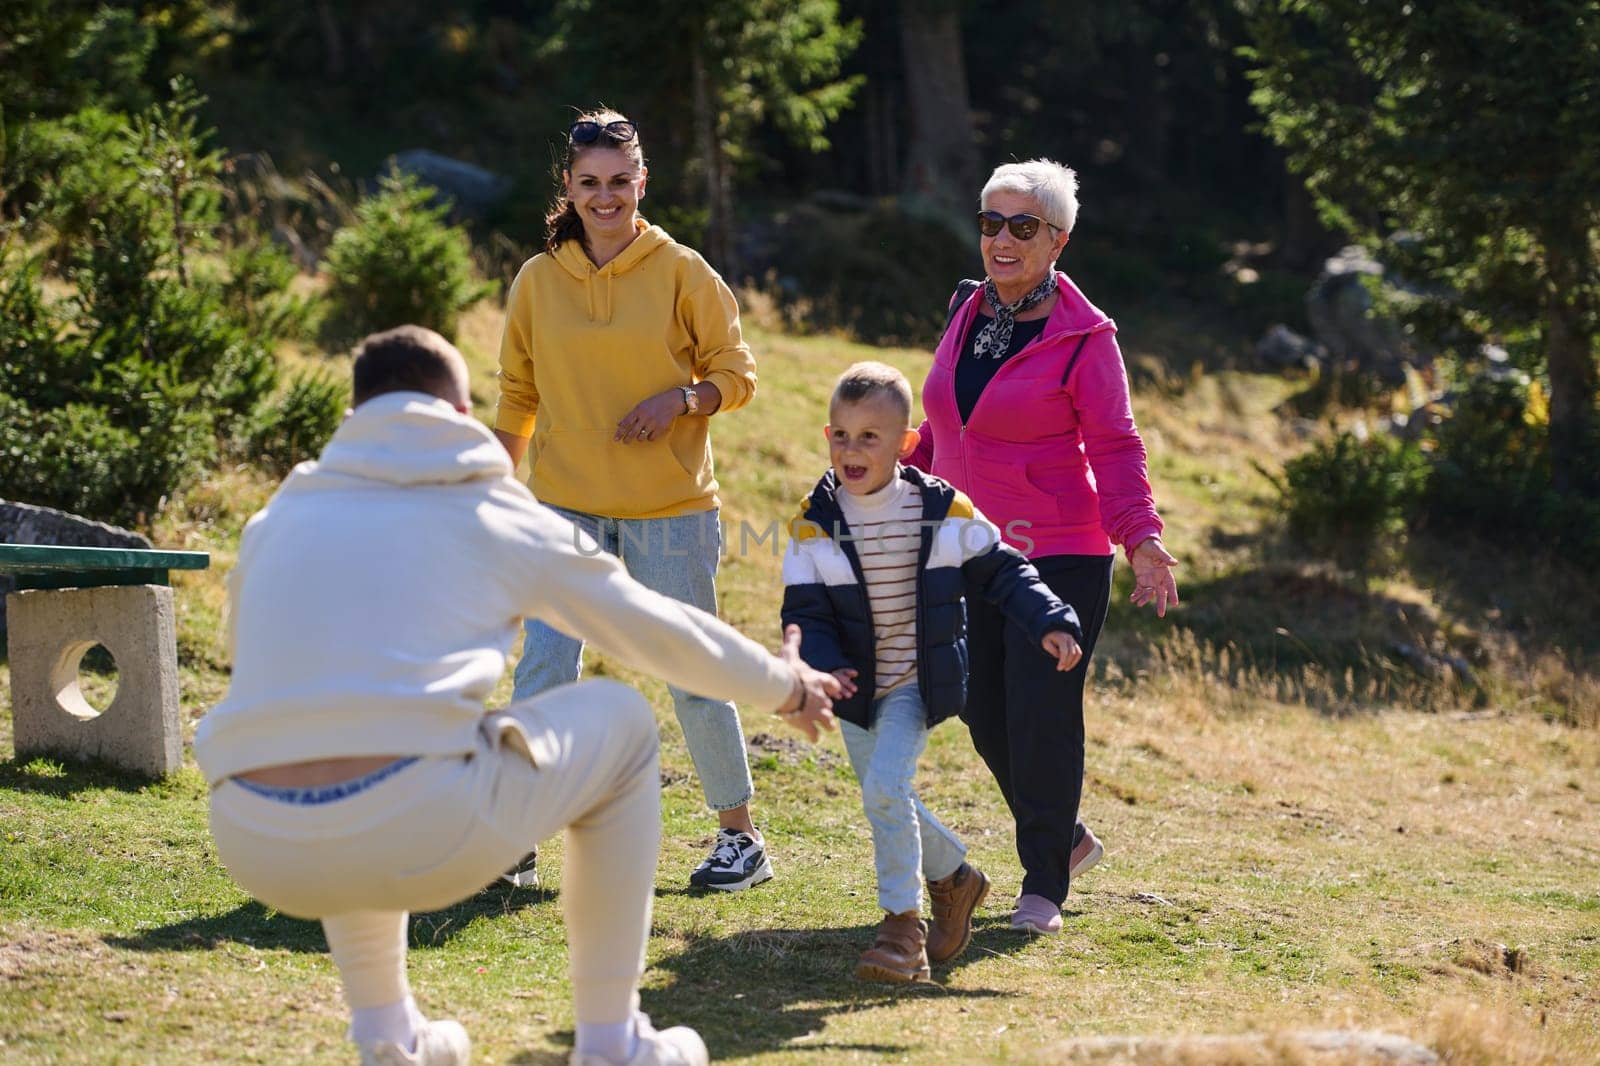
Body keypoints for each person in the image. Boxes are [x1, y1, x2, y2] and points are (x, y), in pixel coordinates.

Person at [195, 326, 839, 1066]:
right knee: (625, 721)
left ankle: (389, 1035)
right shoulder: (492, 513)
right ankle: (612, 1043)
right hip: (417, 823)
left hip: (252, 836)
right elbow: (654, 630)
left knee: (353, 731)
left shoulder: (276, 520)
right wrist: (785, 684)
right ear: (464, 415)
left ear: (356, 417)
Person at [494, 109, 772, 892]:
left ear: (641, 182)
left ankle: (740, 839)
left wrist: (682, 400)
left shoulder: (682, 270)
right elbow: (518, 391)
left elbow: (739, 373)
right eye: (591, 183)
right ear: (569, 188)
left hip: (671, 510)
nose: (606, 197)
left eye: (620, 182)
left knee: (690, 667)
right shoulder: (538, 279)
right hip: (564, 505)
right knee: (544, 666)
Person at [907, 159, 1180, 935]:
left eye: (1022, 226)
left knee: (1040, 712)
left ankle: (1044, 884)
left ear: (1057, 239)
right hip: (967, 545)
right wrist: (893, 478)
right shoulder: (969, 309)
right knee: (978, 707)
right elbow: (943, 427)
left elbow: (1118, 446)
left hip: (1058, 553)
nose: (1000, 238)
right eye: (991, 222)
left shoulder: (1085, 339)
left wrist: (1143, 538)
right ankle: (1066, 837)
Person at [781, 361, 1084, 981]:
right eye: (841, 434)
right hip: (854, 687)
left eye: (870, 436)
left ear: (904, 443)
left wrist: (1049, 619)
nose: (852, 449)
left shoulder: (939, 511)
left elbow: (1005, 569)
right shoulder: (815, 521)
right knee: (884, 796)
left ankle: (902, 933)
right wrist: (823, 668)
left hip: (916, 682)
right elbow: (805, 611)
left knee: (884, 792)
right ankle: (957, 879)